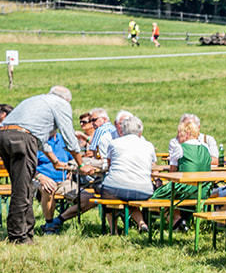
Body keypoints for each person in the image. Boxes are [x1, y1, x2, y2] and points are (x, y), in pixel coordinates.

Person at [0, 86, 80, 243]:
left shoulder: (36, 101)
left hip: (4, 135)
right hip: (22, 139)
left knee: (24, 186)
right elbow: (70, 138)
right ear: (66, 100)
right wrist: (81, 164)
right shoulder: (61, 104)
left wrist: (55, 161)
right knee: (22, 190)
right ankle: (18, 237)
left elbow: (41, 141)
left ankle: (27, 233)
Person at [98, 113, 158, 234]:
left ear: (122, 130)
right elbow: (153, 167)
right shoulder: (148, 145)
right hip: (143, 190)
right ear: (140, 131)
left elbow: (109, 166)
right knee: (130, 196)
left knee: (105, 192)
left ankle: (113, 229)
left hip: (115, 188)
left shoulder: (114, 143)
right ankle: (141, 223)